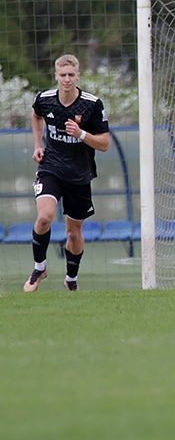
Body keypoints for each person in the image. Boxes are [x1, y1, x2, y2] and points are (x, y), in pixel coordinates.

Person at [25, 54, 110, 292]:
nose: (67, 79)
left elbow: (104, 144)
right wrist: (37, 145)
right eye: (62, 75)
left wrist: (81, 134)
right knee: (44, 218)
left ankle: (71, 279)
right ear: (56, 76)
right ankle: (39, 267)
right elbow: (36, 115)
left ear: (78, 76)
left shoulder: (92, 104)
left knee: (74, 234)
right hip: (51, 168)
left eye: (71, 75)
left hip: (79, 175)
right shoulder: (45, 99)